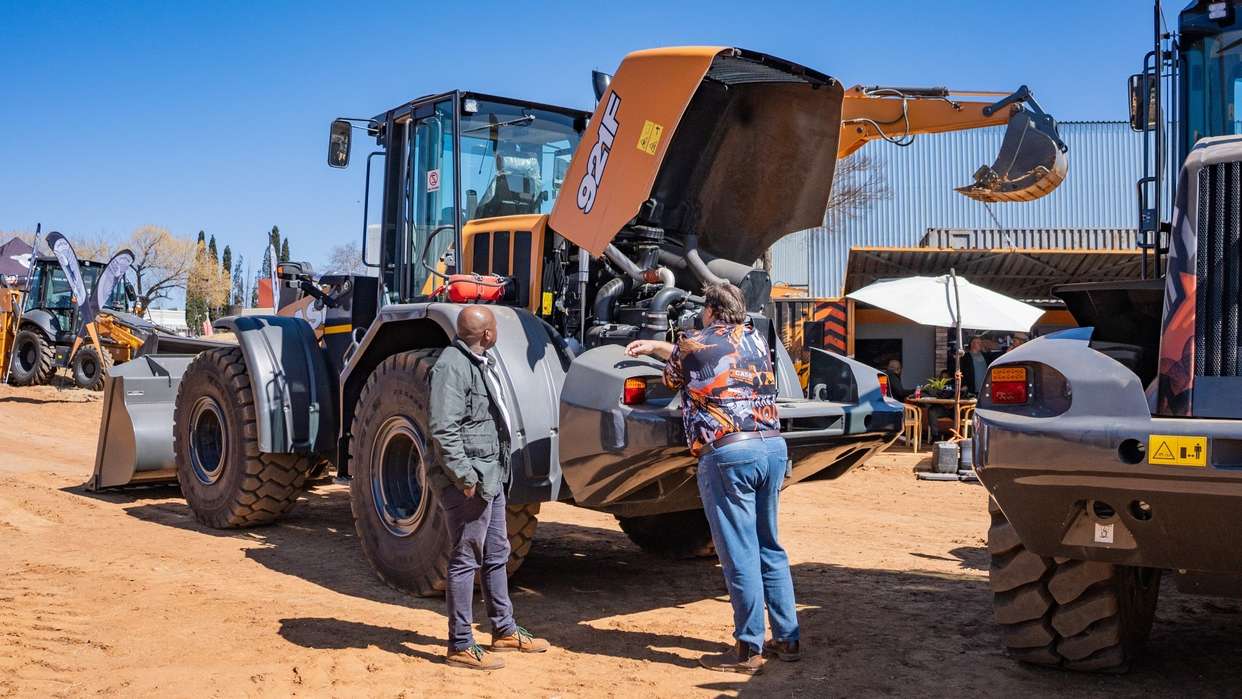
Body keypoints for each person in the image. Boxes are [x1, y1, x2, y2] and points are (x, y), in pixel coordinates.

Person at [626, 282, 799, 676]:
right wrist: (664, 348)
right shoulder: (757, 340)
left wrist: (655, 346)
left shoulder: (693, 342)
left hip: (728, 453)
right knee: (768, 545)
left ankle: (748, 647)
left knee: (738, 551)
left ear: (709, 310)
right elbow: (714, 359)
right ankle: (788, 638)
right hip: (771, 446)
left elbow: (674, 378)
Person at [429, 305, 550, 671]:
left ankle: (503, 630)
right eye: (494, 327)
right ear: (486, 334)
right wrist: (464, 478)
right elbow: (443, 429)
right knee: (466, 558)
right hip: (470, 481)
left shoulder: (479, 361)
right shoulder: (452, 366)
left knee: (498, 550)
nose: (496, 332)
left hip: (490, 475)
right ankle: (460, 644)